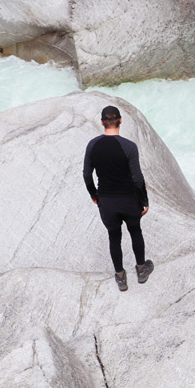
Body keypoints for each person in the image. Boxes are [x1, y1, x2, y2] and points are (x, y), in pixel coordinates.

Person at [83, 105, 154, 291]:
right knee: (135, 232)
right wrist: (144, 201)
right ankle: (141, 269)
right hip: (129, 200)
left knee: (114, 237)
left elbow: (86, 174)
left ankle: (121, 277)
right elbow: (137, 178)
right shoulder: (129, 146)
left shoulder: (93, 145)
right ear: (120, 120)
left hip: (106, 201)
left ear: (102, 122)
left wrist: (94, 195)